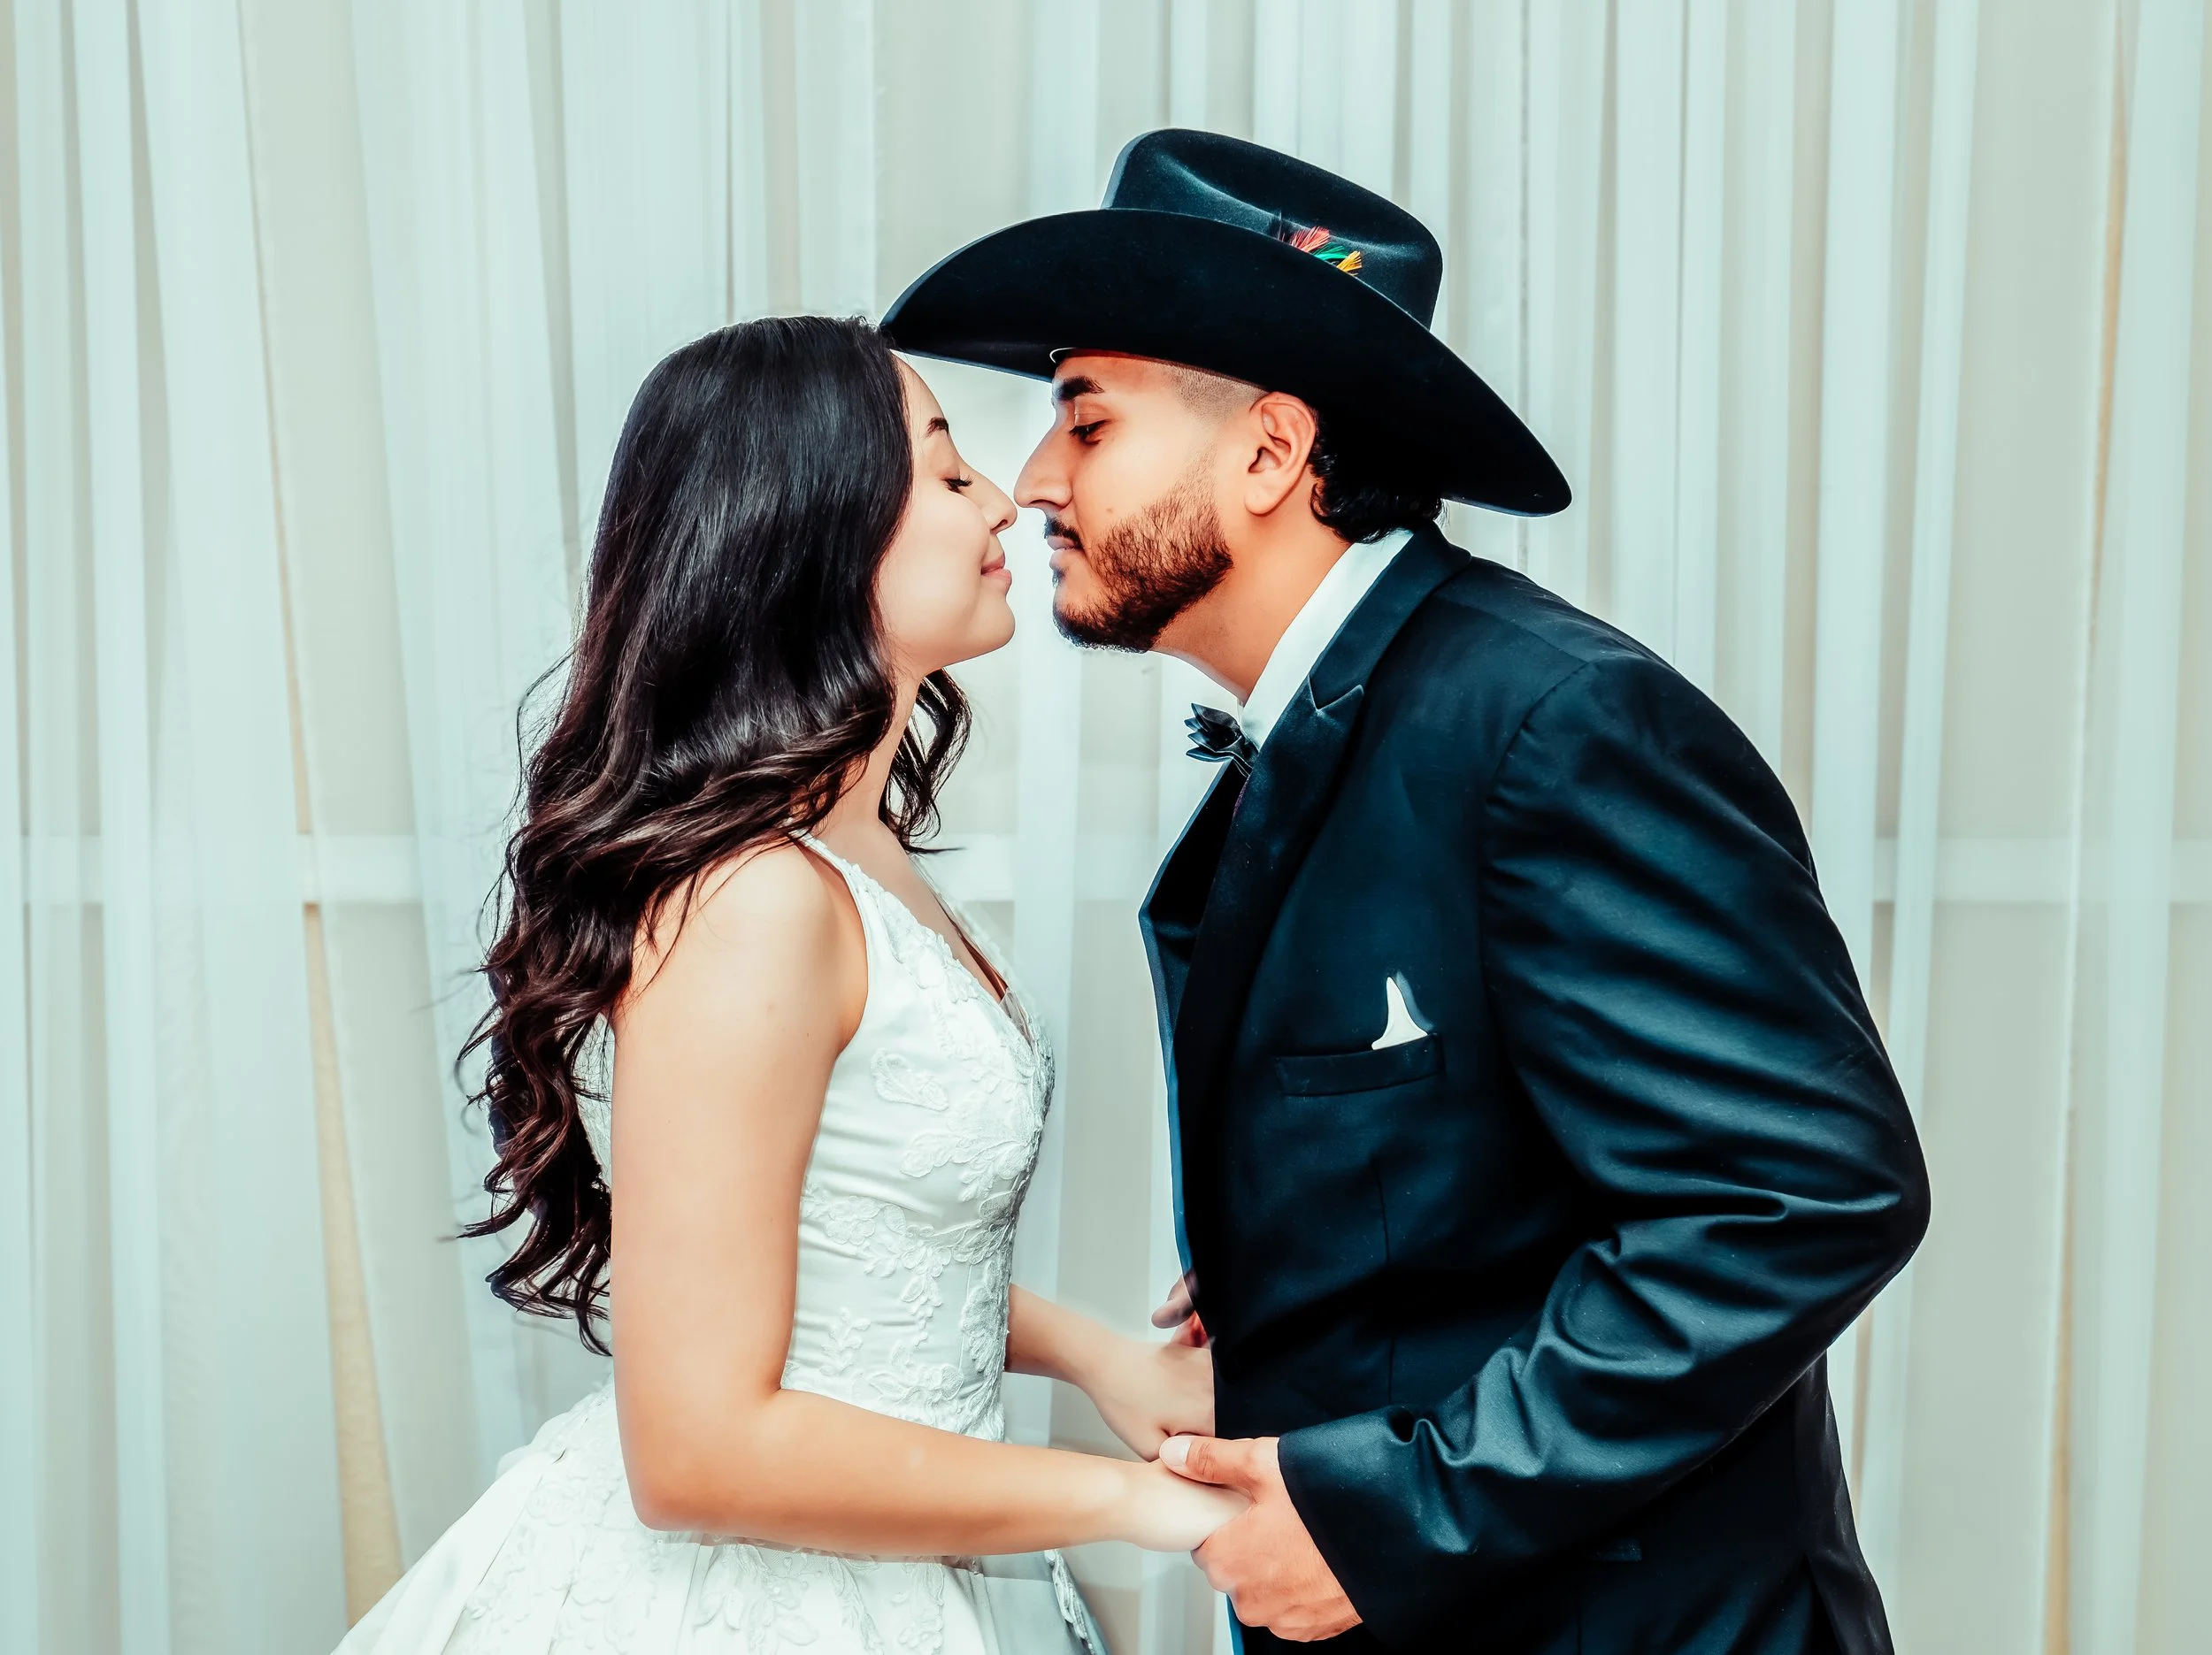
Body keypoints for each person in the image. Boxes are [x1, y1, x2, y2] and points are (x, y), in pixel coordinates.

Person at [882, 129, 1932, 1653]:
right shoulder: (1330, 733)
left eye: (1084, 420)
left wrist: (1404, 1508)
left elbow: (1801, 1191)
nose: (1034, 480)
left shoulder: (1550, 725)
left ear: (1267, 453)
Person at [335, 316, 1244, 1655]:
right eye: (945, 472)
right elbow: (699, 1449)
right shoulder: (753, 900)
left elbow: (855, 1249)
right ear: (815, 530)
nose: (1004, 498)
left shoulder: (852, 849)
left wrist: (1097, 1353)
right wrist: (1131, 1502)